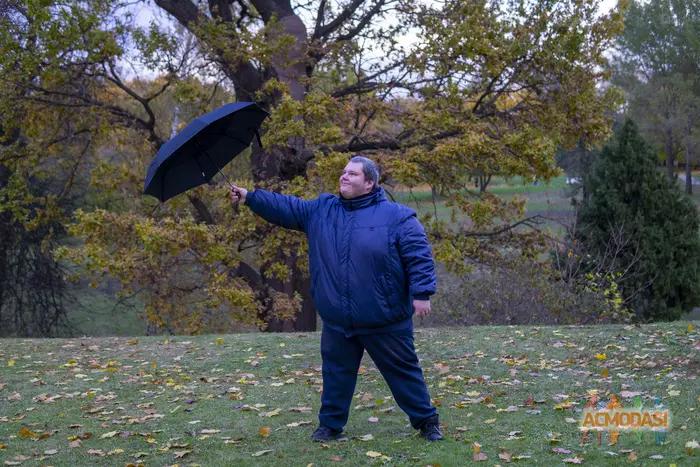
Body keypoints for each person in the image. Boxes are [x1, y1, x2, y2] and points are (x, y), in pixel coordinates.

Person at [229, 155, 442, 442]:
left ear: (369, 183)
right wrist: (250, 197)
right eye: (344, 172)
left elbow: (419, 256)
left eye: (352, 174)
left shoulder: (397, 216)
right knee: (336, 376)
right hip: (338, 319)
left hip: (384, 317)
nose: (344, 176)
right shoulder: (321, 210)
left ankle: (427, 422)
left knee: (403, 373)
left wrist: (422, 293)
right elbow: (286, 206)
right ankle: (329, 427)